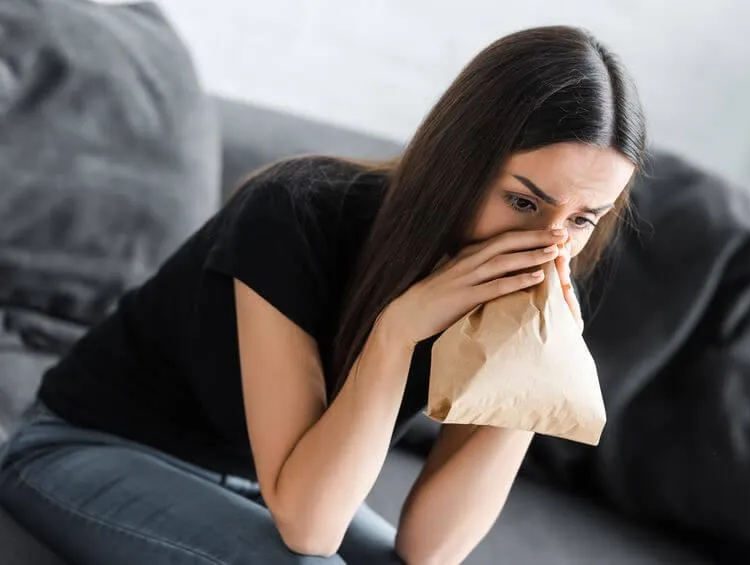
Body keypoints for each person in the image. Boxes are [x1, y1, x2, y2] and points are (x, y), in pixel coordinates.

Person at [0, 25, 646, 565]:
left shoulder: (538, 275)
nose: (547, 241)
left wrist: (536, 373)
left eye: (584, 218)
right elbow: (308, 529)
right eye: (523, 200)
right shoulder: (293, 211)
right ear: (461, 160)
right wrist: (396, 334)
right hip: (85, 448)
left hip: (264, 485)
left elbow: (429, 550)